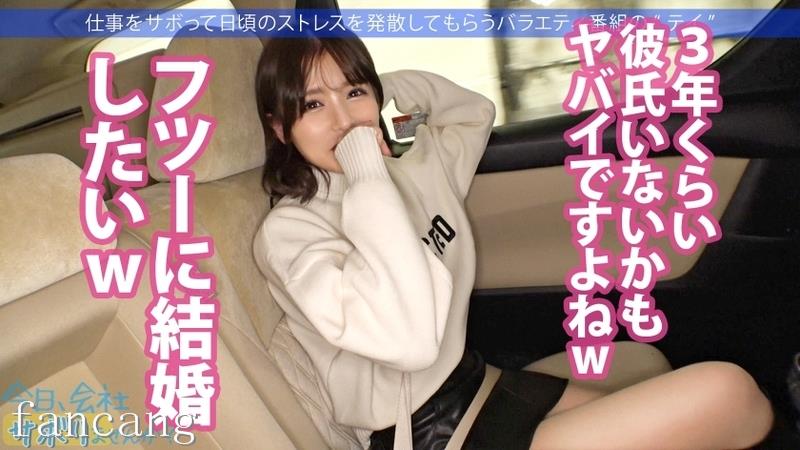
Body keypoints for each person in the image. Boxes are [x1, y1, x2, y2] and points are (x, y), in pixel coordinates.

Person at [252, 32, 773, 450]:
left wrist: (378, 93)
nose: (343, 120)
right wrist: (366, 171)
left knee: (663, 381)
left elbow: (472, 111)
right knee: (729, 394)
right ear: (279, 128)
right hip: (427, 434)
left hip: (481, 384)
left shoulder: (413, 170)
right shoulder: (291, 232)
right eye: (313, 104)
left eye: (354, 93)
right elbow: (410, 341)